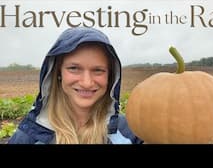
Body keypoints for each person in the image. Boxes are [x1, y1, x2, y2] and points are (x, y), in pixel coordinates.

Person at [8, 27, 143, 144]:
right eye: (74, 68)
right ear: (58, 73)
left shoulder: (131, 132)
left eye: (98, 70)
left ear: (111, 77)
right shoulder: (30, 135)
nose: (87, 83)